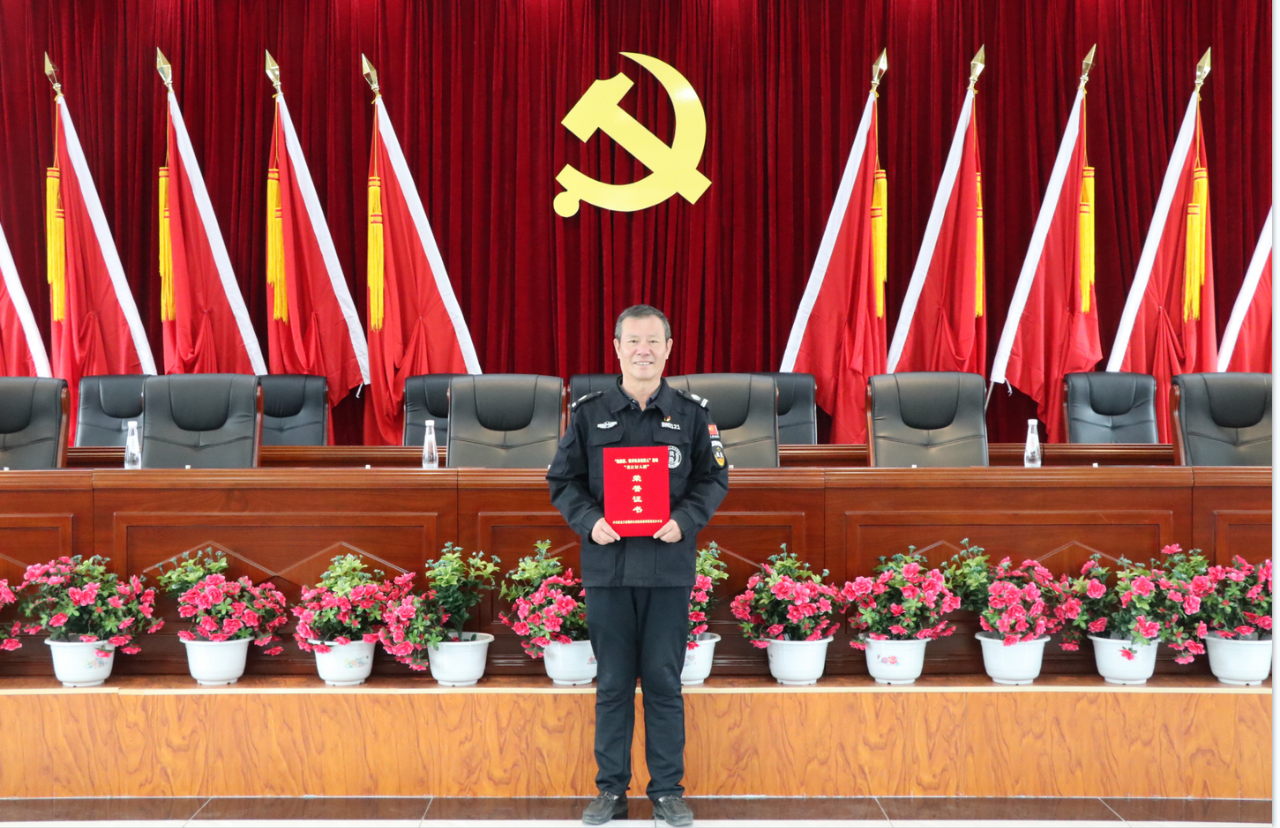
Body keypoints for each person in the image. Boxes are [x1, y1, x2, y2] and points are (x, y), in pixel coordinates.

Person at [547, 305, 729, 827]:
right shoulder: (589, 413)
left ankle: (667, 791)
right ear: (617, 348)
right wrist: (589, 521)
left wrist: (685, 520)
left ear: (668, 348)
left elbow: (713, 479)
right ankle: (611, 791)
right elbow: (563, 480)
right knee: (612, 685)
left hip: (668, 567)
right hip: (608, 568)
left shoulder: (692, 414)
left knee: (665, 683)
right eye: (633, 340)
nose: (642, 350)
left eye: (653, 341)